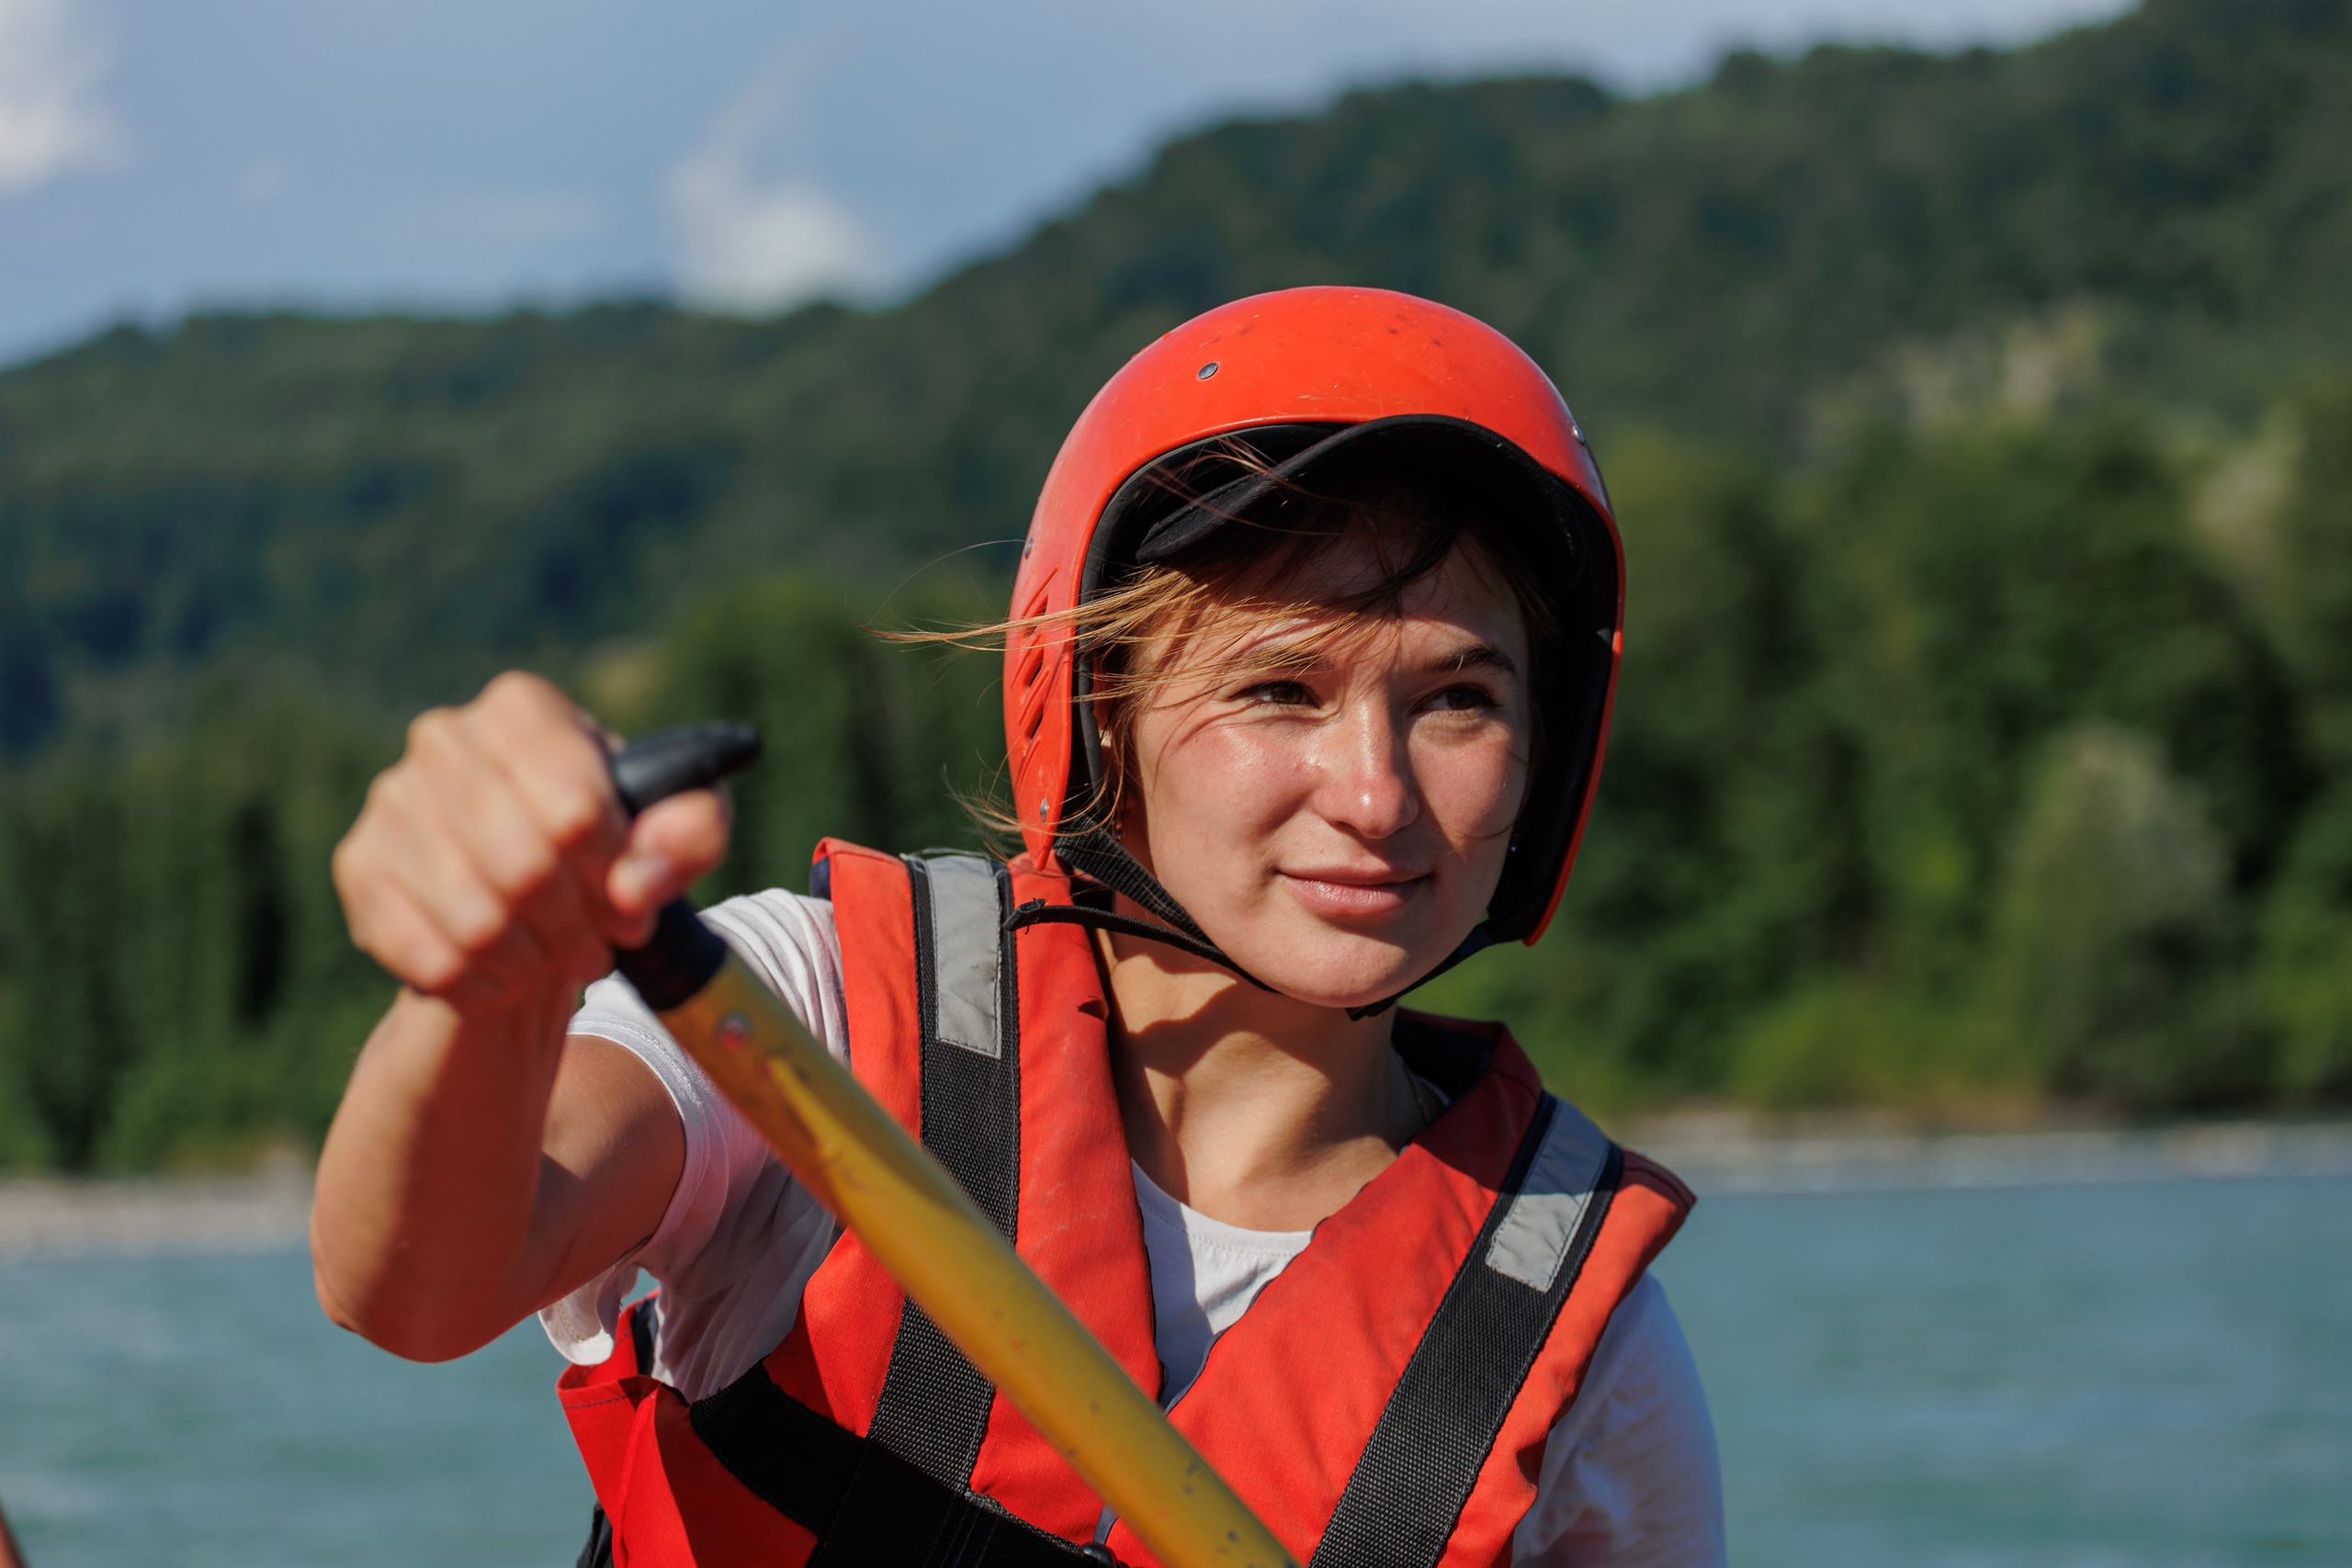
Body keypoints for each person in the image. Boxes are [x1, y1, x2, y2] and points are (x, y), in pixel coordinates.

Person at [313, 286, 1724, 1567]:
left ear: (1550, 746)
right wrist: (475, 994)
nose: (1373, 793)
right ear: (1100, 714)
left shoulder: (1588, 1361)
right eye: (1278, 691)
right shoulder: (810, 1022)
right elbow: (417, 1286)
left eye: (1459, 700)